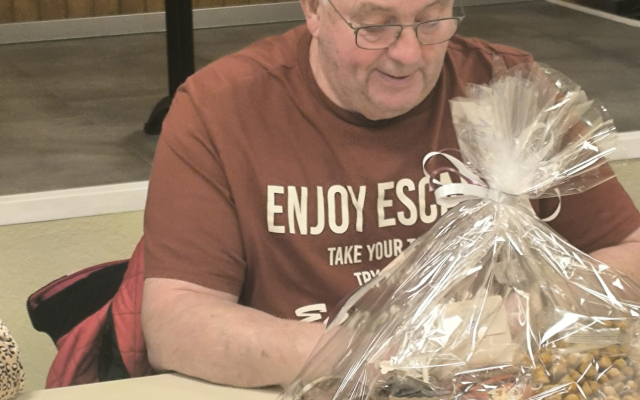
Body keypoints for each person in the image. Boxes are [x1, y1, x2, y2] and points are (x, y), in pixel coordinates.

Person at [140, 0, 640, 389]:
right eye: (374, 26)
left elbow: (631, 252)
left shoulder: (507, 91)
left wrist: (513, 320)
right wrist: (389, 353)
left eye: (431, 20)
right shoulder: (222, 109)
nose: (407, 54)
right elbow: (175, 324)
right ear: (314, 10)